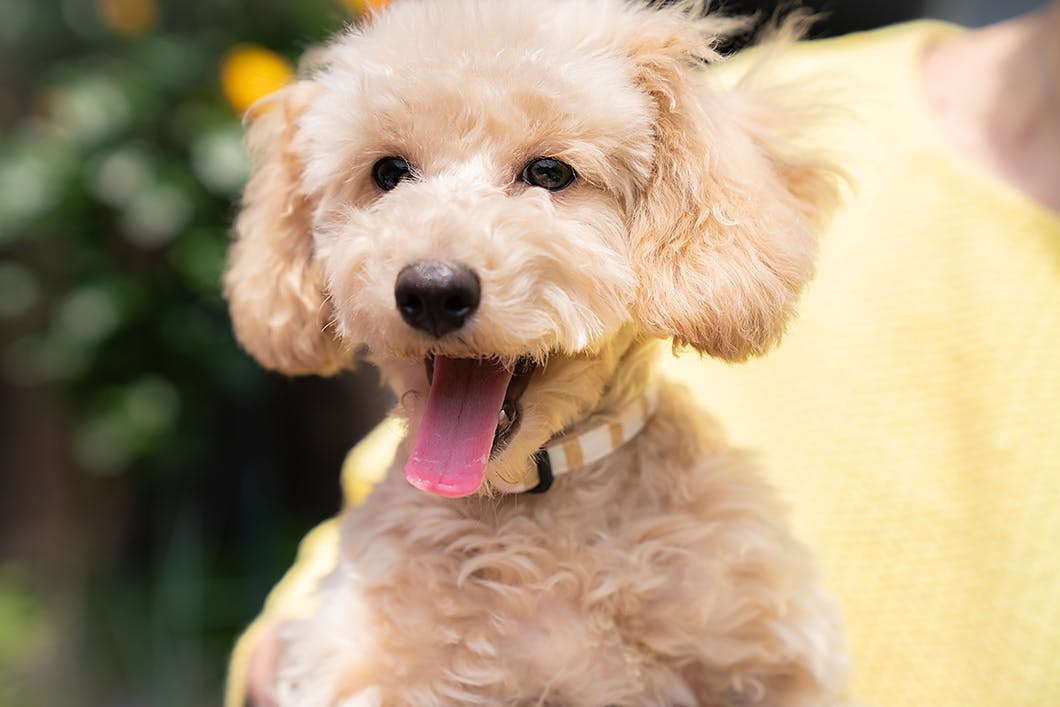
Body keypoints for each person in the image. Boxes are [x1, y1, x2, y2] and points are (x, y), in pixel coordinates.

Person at [228, 3, 1060, 705]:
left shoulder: (723, 570)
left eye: (549, 173)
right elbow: (279, 657)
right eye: (389, 171)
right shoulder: (377, 592)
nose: (436, 267)